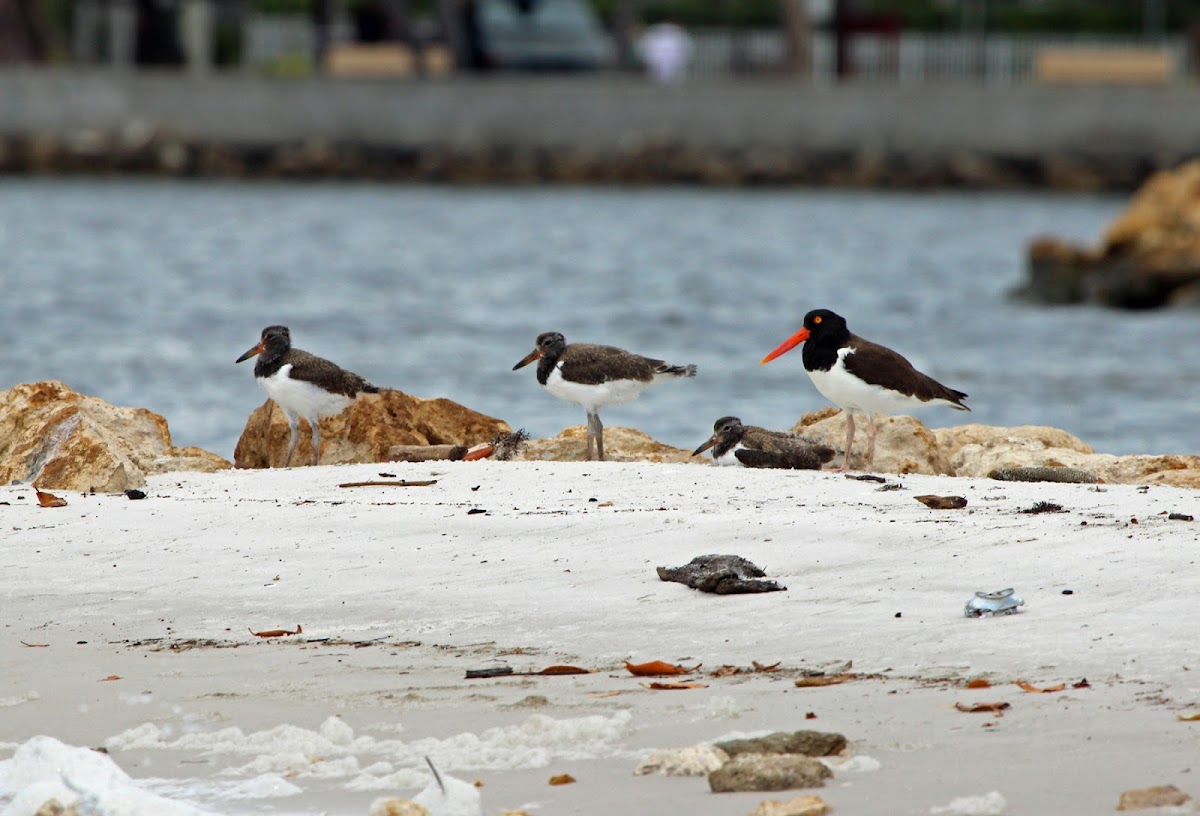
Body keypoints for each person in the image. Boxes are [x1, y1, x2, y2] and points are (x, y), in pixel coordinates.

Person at [638, 18, 692, 83]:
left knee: (669, 74)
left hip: (672, 58)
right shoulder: (655, 33)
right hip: (658, 58)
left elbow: (686, 47)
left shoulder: (677, 34)